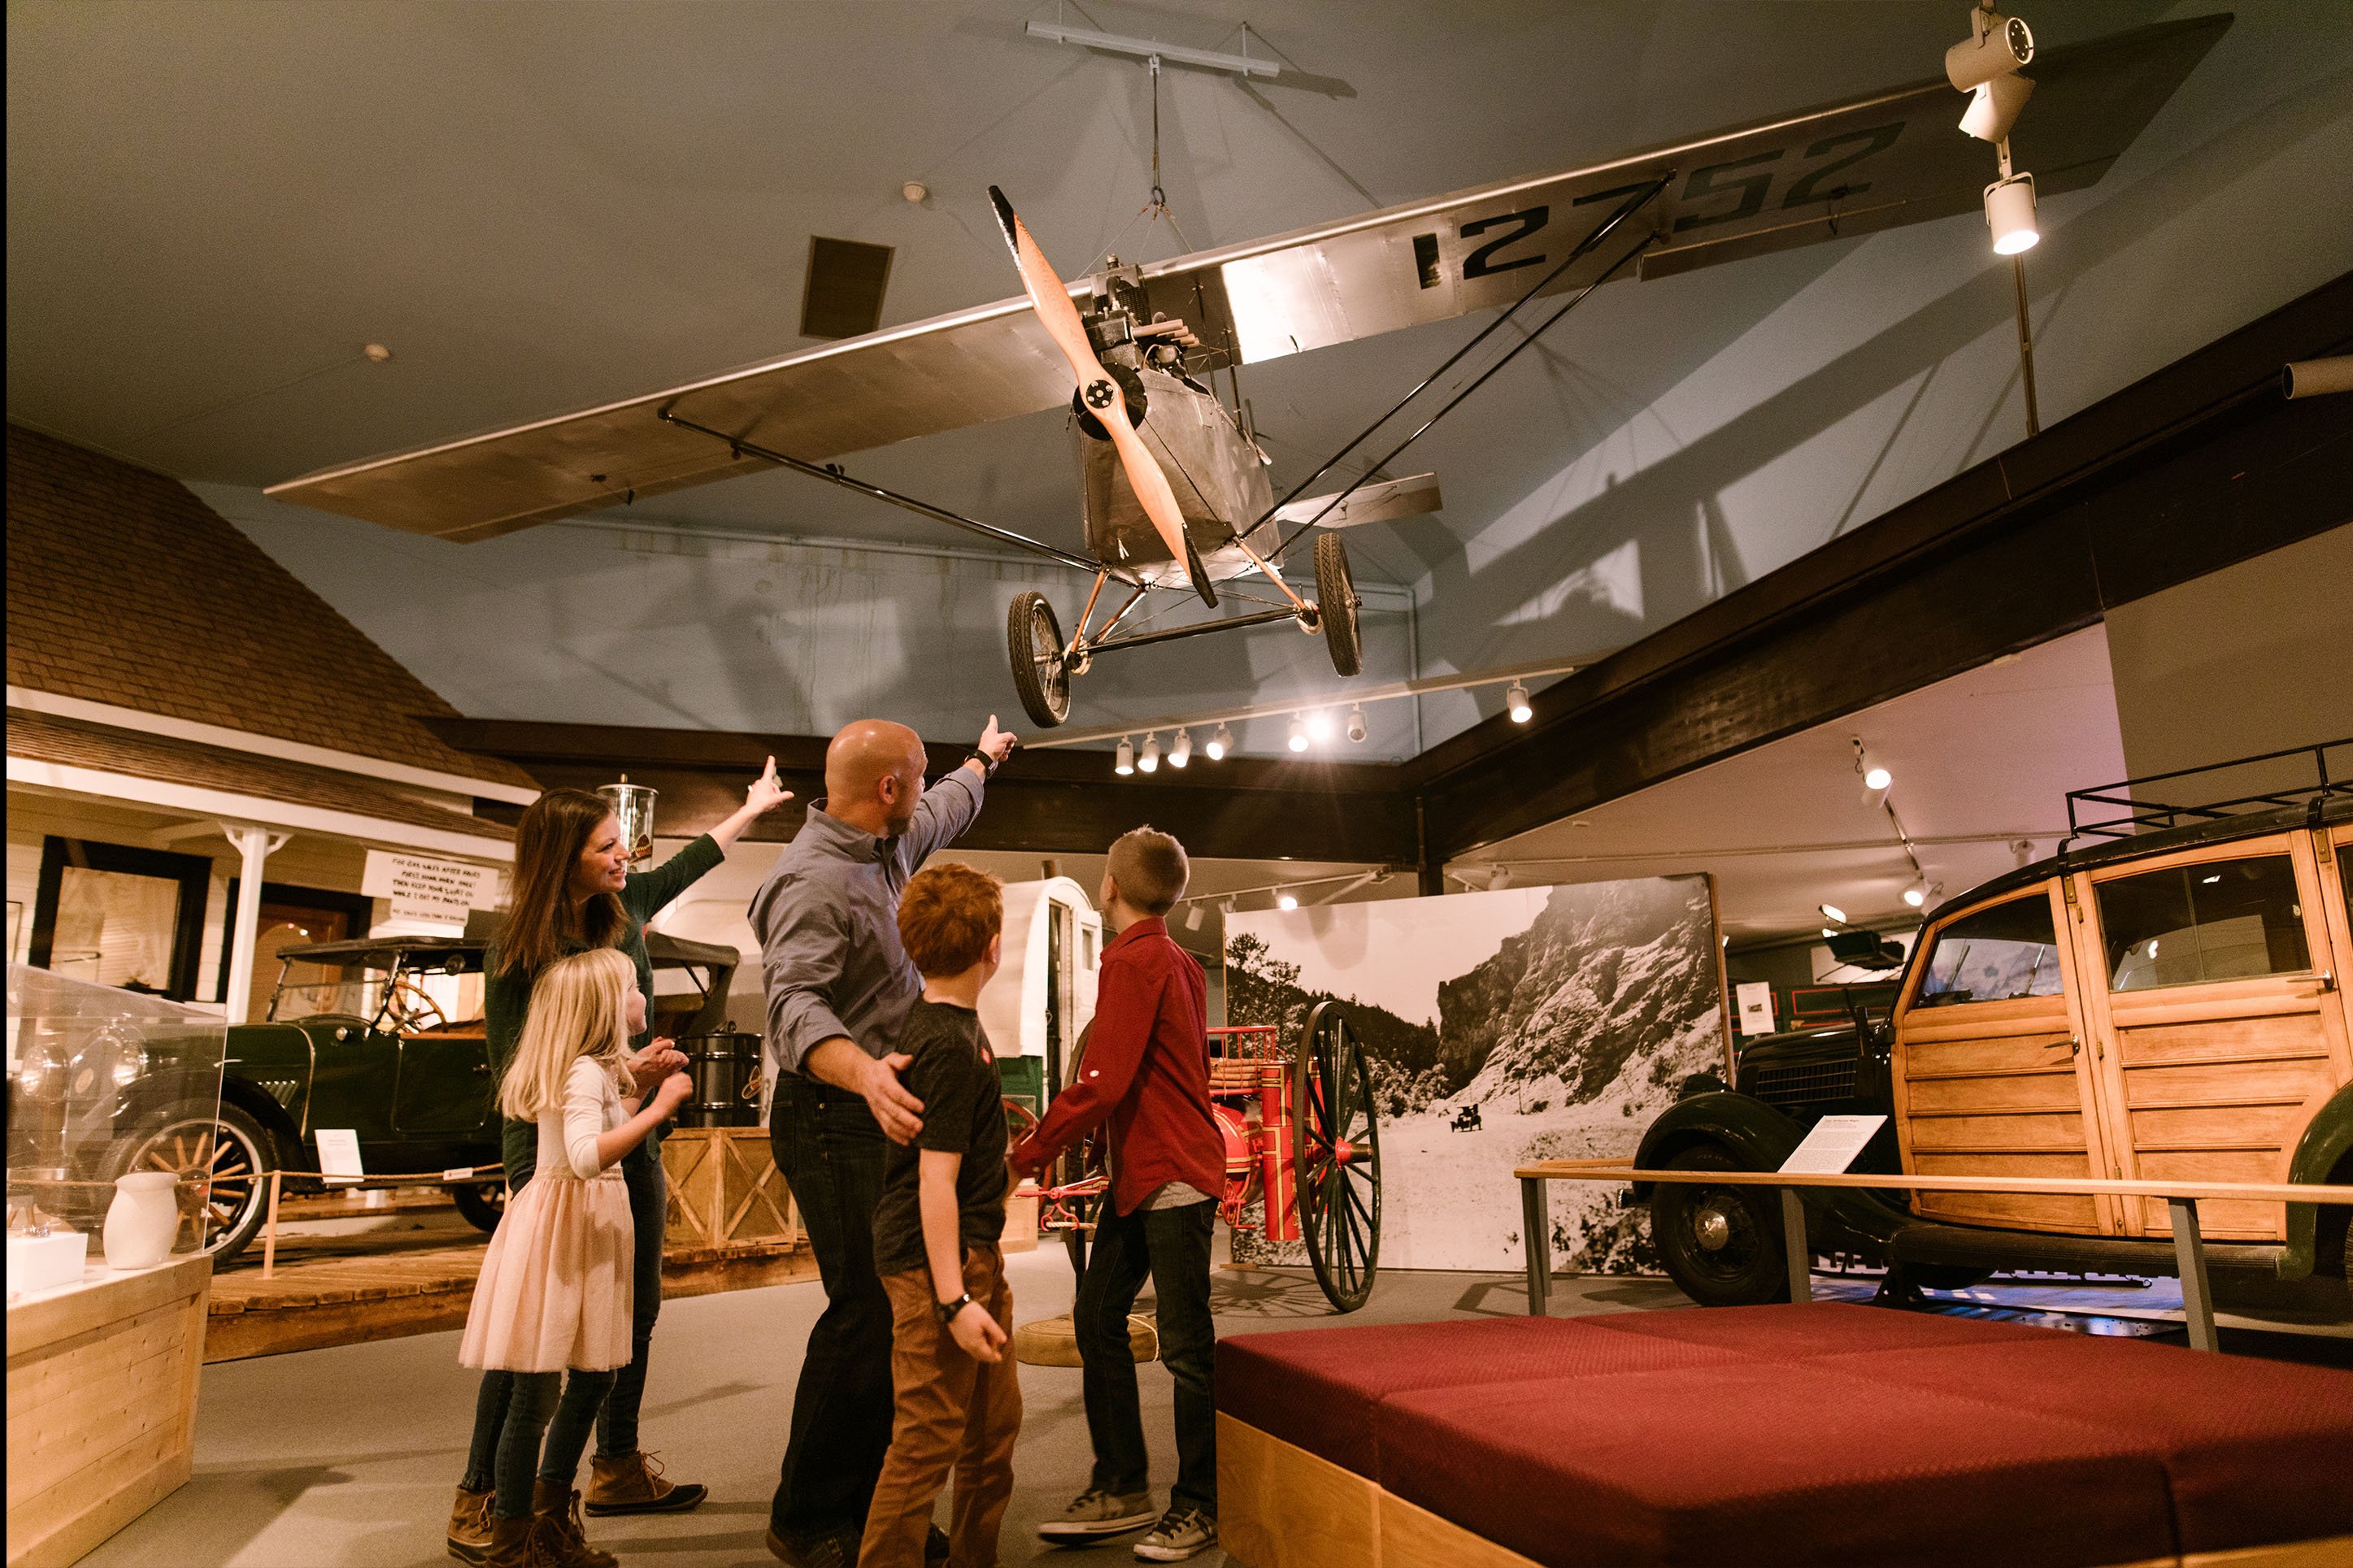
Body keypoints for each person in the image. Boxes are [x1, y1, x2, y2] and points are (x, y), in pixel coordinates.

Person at [449, 764, 791, 1564]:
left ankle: (611, 1467)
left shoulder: (624, 908)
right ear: (563, 855)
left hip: (624, 1143)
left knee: (628, 1320)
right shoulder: (518, 953)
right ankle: (482, 1496)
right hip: (555, 1157)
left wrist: (749, 809)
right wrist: (541, 1168)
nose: (623, 857)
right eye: (606, 846)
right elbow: (519, 1078)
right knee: (530, 1340)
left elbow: (686, 862)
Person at [757, 716, 1016, 1568]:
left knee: (890, 1312)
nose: (927, 788)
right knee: (864, 1312)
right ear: (885, 790)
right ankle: (809, 1516)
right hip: (831, 1115)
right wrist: (865, 1074)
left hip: (879, 1107)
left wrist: (982, 761)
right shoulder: (813, 881)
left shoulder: (890, 840)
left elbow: (945, 809)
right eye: (920, 774)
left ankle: (876, 1505)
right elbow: (794, 1008)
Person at [1009, 826, 1223, 1563]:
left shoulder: (1134, 962)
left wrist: (1027, 1155)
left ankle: (1199, 1505)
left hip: (1170, 1175)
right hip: (1152, 1171)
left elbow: (1102, 1080)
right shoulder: (1179, 961)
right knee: (1099, 1317)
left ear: (1110, 886)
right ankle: (1123, 1483)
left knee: (1189, 1348)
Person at [459, 947, 697, 1568]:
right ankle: (517, 1540)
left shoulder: (592, 1068)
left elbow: (602, 1102)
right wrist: (661, 1108)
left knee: (595, 1375)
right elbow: (588, 1155)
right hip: (565, 1233)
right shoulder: (582, 1072)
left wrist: (639, 1080)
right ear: (602, 1006)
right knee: (536, 1393)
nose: (642, 994)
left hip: (582, 1229)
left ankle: (547, 1520)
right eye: (631, 986)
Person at [857, 863, 1020, 1568]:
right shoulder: (951, 1045)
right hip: (939, 1270)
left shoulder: (952, 1028)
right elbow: (935, 1181)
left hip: (970, 1254)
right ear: (992, 946)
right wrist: (953, 1298)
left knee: (990, 1429)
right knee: (926, 1441)